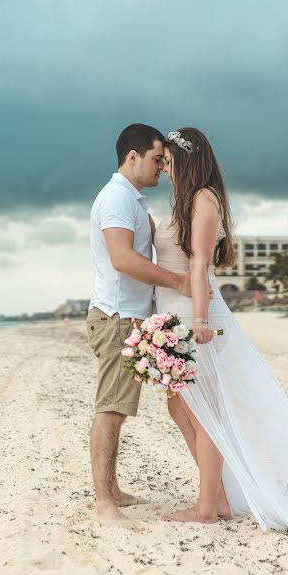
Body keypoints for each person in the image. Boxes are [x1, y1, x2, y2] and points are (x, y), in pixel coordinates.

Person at [153, 127, 288, 538]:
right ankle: (214, 497)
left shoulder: (203, 198)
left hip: (195, 317)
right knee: (181, 409)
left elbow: (199, 264)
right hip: (172, 317)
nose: (164, 166)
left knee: (205, 414)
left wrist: (199, 321)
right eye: (160, 160)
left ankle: (207, 507)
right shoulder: (184, 201)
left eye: (168, 159)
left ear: (186, 158)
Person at [86, 123, 196, 520]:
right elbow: (123, 259)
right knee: (112, 409)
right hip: (118, 317)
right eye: (156, 159)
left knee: (118, 407)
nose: (161, 168)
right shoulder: (116, 198)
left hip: (133, 318)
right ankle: (103, 501)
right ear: (132, 156)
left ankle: (112, 490)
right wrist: (178, 281)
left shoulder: (132, 199)